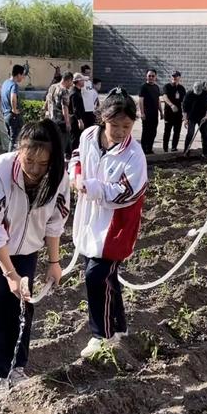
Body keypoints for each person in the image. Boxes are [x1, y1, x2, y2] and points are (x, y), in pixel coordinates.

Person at [0, 119, 70, 405]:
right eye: (29, 160)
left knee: (22, 308)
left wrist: (54, 262)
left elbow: (56, 220)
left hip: (27, 250)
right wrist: (9, 273)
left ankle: (17, 368)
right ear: (19, 149)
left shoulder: (58, 175)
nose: (34, 169)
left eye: (42, 163)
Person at [69, 88, 148, 358]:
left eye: (127, 126)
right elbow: (77, 156)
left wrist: (91, 186)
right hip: (90, 219)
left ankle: (100, 335)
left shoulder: (134, 155)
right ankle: (119, 326)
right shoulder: (89, 136)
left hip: (117, 225)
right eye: (115, 125)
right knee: (107, 277)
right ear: (103, 118)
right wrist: (75, 174)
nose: (120, 131)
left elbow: (129, 192)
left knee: (95, 276)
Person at [47, 71, 73, 158]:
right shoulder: (64, 90)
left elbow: (47, 102)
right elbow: (64, 107)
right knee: (61, 144)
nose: (71, 84)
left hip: (51, 119)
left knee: (53, 142)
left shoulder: (52, 87)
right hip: (60, 121)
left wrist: (44, 112)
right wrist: (67, 122)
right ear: (68, 80)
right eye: (71, 82)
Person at [182, 82, 207, 159]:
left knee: (205, 135)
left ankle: (205, 153)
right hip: (191, 117)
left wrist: (206, 116)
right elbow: (184, 108)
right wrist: (185, 120)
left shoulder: (205, 94)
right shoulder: (189, 95)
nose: (197, 93)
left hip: (202, 117)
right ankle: (186, 151)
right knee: (190, 134)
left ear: (202, 89)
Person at [1, 64, 25, 152]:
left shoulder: (5, 83)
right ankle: (12, 159)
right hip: (13, 115)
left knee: (12, 138)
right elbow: (13, 97)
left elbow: (2, 97)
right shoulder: (14, 85)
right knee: (16, 138)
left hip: (6, 114)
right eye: (22, 75)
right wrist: (14, 109)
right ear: (18, 74)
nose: (23, 77)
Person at [139, 69, 163, 155]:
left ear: (155, 77)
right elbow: (141, 100)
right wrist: (142, 113)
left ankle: (149, 148)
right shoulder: (144, 87)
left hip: (154, 114)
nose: (151, 77)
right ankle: (143, 149)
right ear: (146, 76)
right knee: (146, 131)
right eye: (149, 76)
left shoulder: (156, 87)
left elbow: (158, 100)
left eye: (153, 76)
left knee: (153, 132)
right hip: (146, 114)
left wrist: (161, 112)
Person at [162, 71, 186, 152]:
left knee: (177, 131)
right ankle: (165, 147)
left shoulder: (182, 88)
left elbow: (184, 102)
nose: (174, 78)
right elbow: (164, 97)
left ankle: (174, 147)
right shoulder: (167, 87)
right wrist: (171, 105)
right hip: (168, 113)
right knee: (167, 131)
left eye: (176, 76)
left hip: (178, 114)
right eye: (173, 76)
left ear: (179, 77)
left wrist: (184, 114)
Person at [68, 72, 88, 155]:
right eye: (82, 80)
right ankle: (73, 155)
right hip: (75, 120)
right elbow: (75, 109)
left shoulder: (78, 91)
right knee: (75, 139)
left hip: (77, 119)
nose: (84, 82)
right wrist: (80, 120)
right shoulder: (74, 93)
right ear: (78, 81)